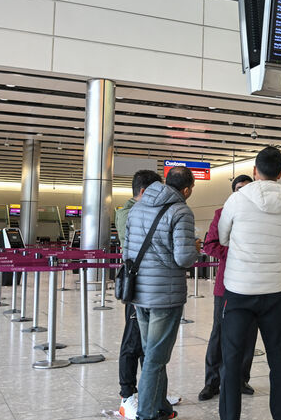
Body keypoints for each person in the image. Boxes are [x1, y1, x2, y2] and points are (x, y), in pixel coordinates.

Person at [217, 146, 281, 420]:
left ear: (255, 171)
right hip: (274, 291)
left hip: (239, 291)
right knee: (277, 356)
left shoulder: (237, 200)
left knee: (232, 359)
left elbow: (223, 236)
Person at [125, 166, 199, 420]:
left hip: (139, 291)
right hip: (165, 295)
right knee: (156, 357)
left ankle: (162, 407)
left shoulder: (138, 207)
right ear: (187, 189)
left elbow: (127, 249)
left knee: (152, 352)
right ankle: (146, 414)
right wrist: (195, 249)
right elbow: (184, 258)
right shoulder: (181, 211)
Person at [199, 174, 258, 402]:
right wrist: (237, 254)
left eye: (246, 189)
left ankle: (241, 379)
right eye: (238, 189)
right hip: (226, 285)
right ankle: (212, 382)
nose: (242, 193)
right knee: (219, 334)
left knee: (249, 334)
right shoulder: (221, 213)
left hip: (253, 284)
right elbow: (210, 245)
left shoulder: (259, 216)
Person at [115, 170, 165, 420]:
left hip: (150, 286)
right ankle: (127, 396)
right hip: (138, 286)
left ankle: (151, 392)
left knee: (148, 343)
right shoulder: (129, 213)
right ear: (144, 192)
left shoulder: (140, 211)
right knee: (133, 340)